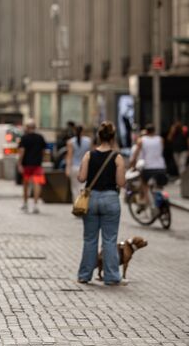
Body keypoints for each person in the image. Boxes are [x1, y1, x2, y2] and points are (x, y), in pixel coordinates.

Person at [76, 122, 126, 285]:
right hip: (111, 199)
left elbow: (82, 178)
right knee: (109, 240)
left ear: (98, 136)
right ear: (112, 137)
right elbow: (121, 182)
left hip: (91, 199)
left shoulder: (89, 155)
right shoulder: (117, 157)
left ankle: (84, 275)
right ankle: (111, 276)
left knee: (89, 239)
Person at [130, 124, 167, 203]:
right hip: (161, 166)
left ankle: (147, 200)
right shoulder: (160, 139)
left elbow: (135, 155)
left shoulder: (141, 140)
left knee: (144, 183)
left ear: (146, 131)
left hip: (148, 168)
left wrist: (132, 164)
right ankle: (162, 202)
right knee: (160, 186)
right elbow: (161, 150)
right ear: (154, 131)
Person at [17, 120, 47, 214]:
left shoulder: (24, 138)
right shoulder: (40, 137)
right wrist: (42, 160)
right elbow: (44, 151)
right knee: (37, 183)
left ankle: (25, 204)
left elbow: (22, 152)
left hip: (27, 165)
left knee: (26, 184)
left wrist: (19, 163)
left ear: (27, 127)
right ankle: (35, 204)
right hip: (37, 164)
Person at [66, 125, 92, 198]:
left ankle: (76, 204)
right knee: (84, 186)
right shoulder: (89, 141)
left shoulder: (70, 142)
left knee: (74, 188)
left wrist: (67, 168)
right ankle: (83, 203)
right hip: (86, 167)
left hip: (74, 167)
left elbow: (69, 156)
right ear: (83, 131)